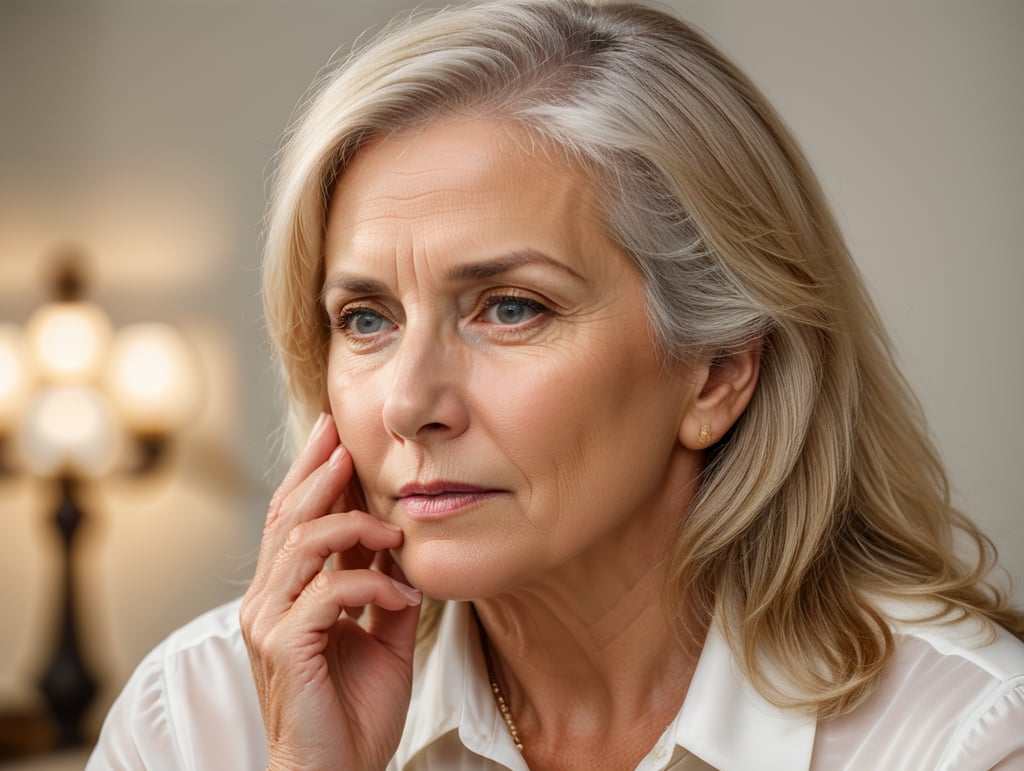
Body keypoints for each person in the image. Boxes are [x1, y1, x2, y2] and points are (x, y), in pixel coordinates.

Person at [87, 1, 1024, 769]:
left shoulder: (965, 736)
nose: (411, 403)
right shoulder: (199, 723)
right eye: (366, 318)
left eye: (510, 307)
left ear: (720, 371)